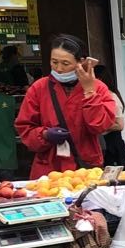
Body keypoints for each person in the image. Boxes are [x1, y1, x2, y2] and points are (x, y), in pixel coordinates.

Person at [14, 34, 116, 176]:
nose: (59, 69)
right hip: (49, 169)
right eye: (54, 62)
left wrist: (89, 91)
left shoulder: (98, 87)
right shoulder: (39, 88)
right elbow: (24, 128)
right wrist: (44, 134)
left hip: (85, 168)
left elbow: (101, 125)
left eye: (65, 63)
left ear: (81, 62)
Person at [93, 63, 125, 171]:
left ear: (100, 79)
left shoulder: (111, 96)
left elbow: (119, 125)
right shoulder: (100, 96)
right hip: (108, 145)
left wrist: (99, 126)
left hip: (115, 146)